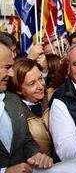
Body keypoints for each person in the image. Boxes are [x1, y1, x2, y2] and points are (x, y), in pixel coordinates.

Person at [0, 43, 52, 172]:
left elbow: (25, 139)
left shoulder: (12, 100)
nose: (11, 73)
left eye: (40, 78)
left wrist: (36, 154)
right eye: (7, 67)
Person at [9, 58, 55, 159]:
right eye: (32, 84)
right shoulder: (14, 115)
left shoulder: (55, 99)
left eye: (40, 78)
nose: (40, 86)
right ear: (18, 89)